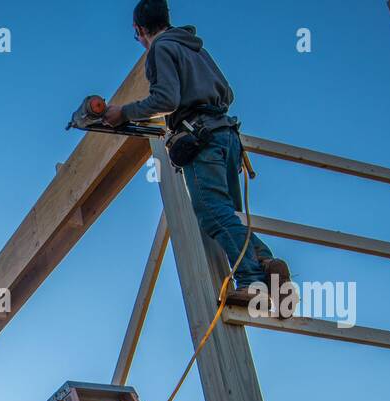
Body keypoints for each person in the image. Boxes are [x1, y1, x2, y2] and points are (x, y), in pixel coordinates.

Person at [104, 0, 292, 315]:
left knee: (209, 210)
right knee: (225, 212)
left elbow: (166, 98)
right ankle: (266, 263)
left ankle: (252, 282)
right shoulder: (195, 48)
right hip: (227, 136)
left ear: (139, 30)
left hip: (202, 139)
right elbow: (227, 93)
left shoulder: (160, 49)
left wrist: (124, 112)